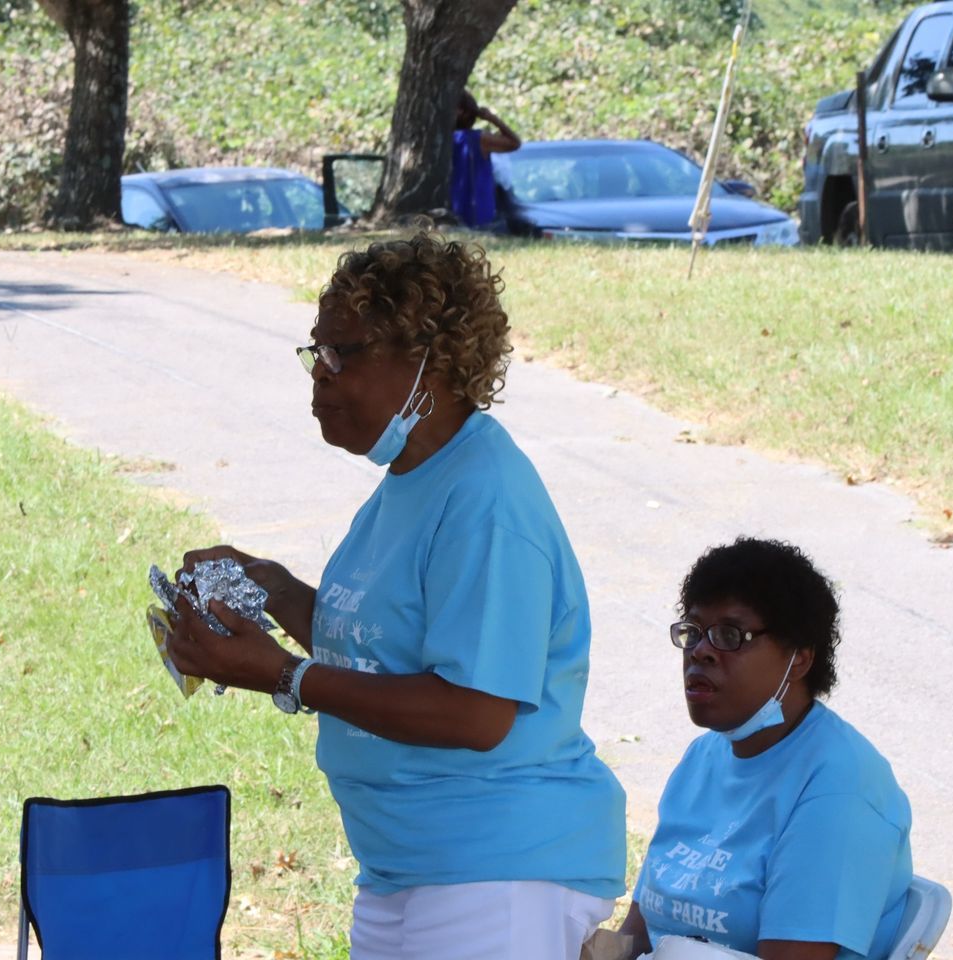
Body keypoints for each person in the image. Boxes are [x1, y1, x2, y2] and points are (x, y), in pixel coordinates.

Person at [166, 231, 626, 960]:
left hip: (498, 873)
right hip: (408, 869)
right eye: (316, 353)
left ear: (428, 362)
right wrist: (273, 587)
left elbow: (476, 712)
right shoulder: (412, 482)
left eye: (342, 354)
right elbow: (376, 651)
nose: (319, 377)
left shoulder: (487, 500)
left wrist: (285, 676)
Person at [618, 538, 913, 960]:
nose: (701, 652)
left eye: (730, 635)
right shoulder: (703, 758)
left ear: (799, 660)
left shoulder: (840, 787)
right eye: (694, 632)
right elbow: (637, 934)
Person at [451, 89, 521, 229]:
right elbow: (514, 143)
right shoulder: (478, 139)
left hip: (457, 212)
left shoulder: (468, 139)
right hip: (477, 214)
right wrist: (492, 119)